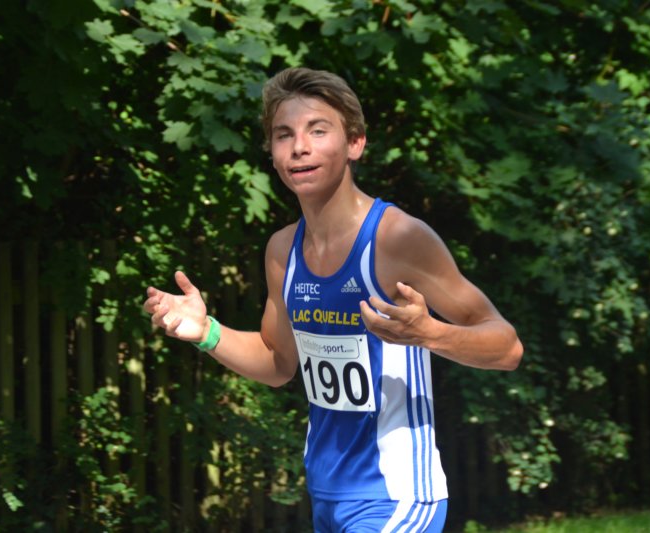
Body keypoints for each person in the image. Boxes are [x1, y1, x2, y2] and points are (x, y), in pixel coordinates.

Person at [143, 67, 523, 532]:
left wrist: (430, 334)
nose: (298, 147)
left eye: (317, 130)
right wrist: (207, 332)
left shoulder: (397, 238)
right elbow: (278, 362)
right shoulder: (282, 251)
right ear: (273, 154)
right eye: (284, 135)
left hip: (398, 495)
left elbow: (507, 347)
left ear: (355, 143)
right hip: (327, 495)